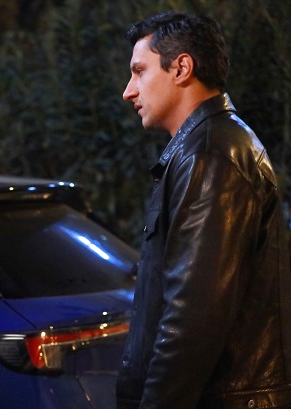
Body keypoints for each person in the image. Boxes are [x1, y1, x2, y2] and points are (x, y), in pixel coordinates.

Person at [116, 11, 291, 409]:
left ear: (181, 68)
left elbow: (192, 317)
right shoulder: (208, 147)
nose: (128, 91)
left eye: (139, 71)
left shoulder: (210, 155)